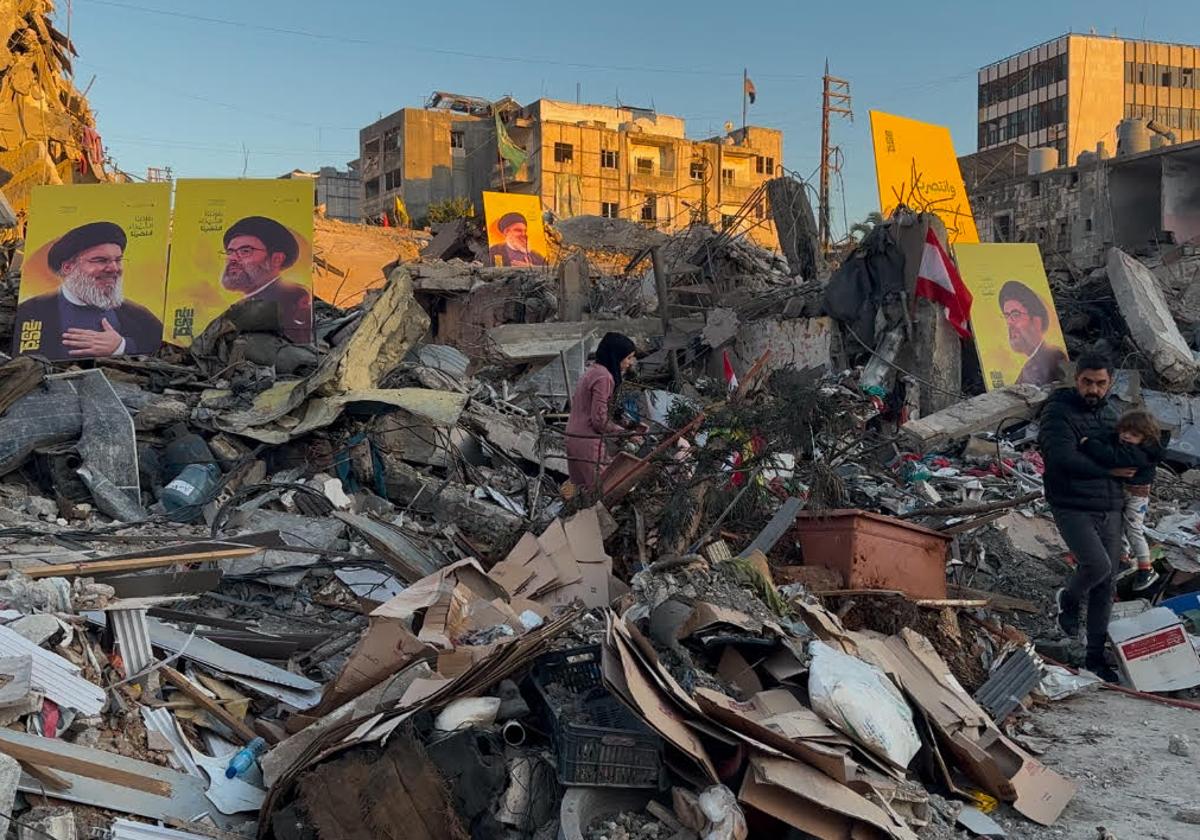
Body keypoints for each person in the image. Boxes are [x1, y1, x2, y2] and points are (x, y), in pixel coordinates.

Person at [1039, 353, 1132, 682]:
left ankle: (1094, 657)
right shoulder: (1057, 412)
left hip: (1110, 505)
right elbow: (1062, 458)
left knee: (1106, 584)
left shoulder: (1112, 412)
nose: (1094, 389)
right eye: (1087, 382)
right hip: (1071, 503)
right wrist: (1111, 468)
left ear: (1109, 383)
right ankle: (1068, 597)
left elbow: (1127, 452)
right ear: (1076, 379)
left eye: (1101, 383)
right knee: (1097, 565)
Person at [14, 221, 162, 360]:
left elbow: (161, 350)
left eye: (118, 260)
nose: (114, 268)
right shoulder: (32, 311)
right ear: (68, 268)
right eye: (100, 260)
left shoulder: (138, 314)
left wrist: (121, 346)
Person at [1080, 409, 1163, 592]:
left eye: (1133, 435)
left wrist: (1088, 444)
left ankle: (1145, 568)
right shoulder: (1123, 441)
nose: (1126, 436)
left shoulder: (1141, 453)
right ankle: (1123, 559)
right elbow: (1106, 439)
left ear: (1145, 438)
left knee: (1133, 528)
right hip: (1122, 491)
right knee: (1117, 526)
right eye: (1124, 431)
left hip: (1136, 495)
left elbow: (1112, 457)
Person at [218, 216, 312, 343]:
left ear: (276, 259)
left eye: (245, 251)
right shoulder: (244, 304)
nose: (233, 258)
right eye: (230, 252)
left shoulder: (292, 299)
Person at [565, 332, 637, 492]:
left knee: (583, 491)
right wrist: (624, 433)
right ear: (615, 356)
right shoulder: (604, 378)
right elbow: (599, 421)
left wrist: (625, 422)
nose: (629, 363)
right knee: (603, 492)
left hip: (573, 437)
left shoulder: (593, 371)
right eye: (628, 358)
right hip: (587, 441)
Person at [1000, 280, 1067, 386]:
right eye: (1007, 316)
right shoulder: (1030, 363)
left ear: (1037, 321)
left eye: (1016, 314)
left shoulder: (1054, 357)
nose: (1009, 323)